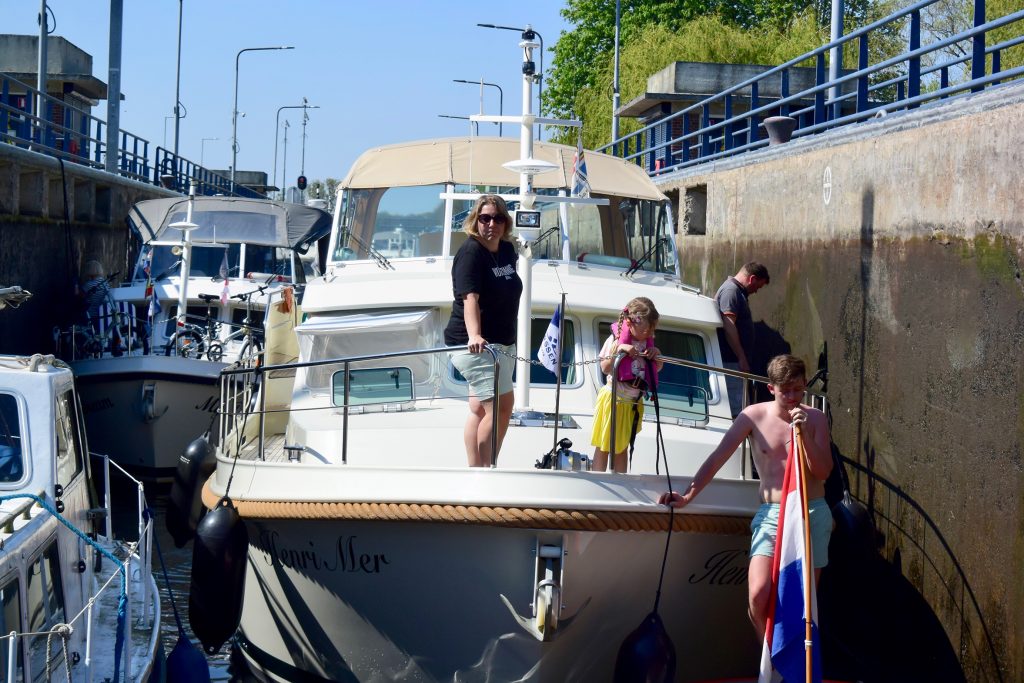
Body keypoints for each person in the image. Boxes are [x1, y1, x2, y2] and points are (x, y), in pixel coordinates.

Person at [658, 354, 832, 645]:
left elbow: (823, 471)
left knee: (803, 604)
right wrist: (688, 494)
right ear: (771, 388)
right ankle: (770, 659)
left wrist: (804, 436)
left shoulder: (814, 418)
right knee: (758, 594)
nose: (791, 397)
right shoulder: (752, 416)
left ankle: (791, 665)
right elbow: (718, 457)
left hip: (811, 511)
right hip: (772, 513)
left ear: (804, 387)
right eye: (785, 390)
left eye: (797, 390)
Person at [444, 195, 523, 467]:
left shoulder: (507, 249)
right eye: (485, 218)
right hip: (477, 345)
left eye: (498, 218)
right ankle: (487, 470)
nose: (492, 224)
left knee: (479, 408)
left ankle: (474, 469)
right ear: (475, 220)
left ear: (506, 222)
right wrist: (475, 335)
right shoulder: (470, 252)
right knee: (501, 408)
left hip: (503, 344)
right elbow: (470, 300)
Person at [591, 297, 664, 473]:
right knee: (604, 444)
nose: (647, 333)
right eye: (644, 329)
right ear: (630, 324)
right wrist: (619, 350)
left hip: (632, 403)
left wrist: (657, 355)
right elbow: (605, 368)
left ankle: (620, 482)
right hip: (614, 400)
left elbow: (657, 368)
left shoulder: (647, 344)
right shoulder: (615, 340)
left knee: (622, 447)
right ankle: (598, 479)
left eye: (651, 330)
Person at [715, 262, 770, 415]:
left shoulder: (735, 292)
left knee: (741, 404)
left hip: (733, 360)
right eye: (757, 287)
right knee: (736, 407)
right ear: (752, 279)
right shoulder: (731, 292)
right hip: (730, 360)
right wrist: (741, 357)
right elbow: (729, 324)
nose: (756, 291)